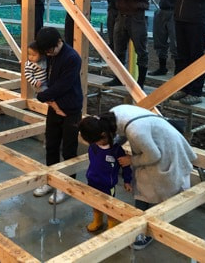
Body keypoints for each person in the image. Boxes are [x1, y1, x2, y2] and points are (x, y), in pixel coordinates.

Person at [84, 104, 197, 250]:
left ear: (103, 134)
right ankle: (139, 222)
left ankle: (148, 231)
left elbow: (154, 155)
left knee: (160, 187)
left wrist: (131, 160)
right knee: (142, 185)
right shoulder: (112, 116)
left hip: (166, 148)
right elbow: (121, 135)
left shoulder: (136, 132)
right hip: (154, 142)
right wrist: (113, 148)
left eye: (98, 142)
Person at [32, 27, 83, 204]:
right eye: (45, 51)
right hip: (53, 106)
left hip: (70, 108)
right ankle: (50, 180)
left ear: (59, 42)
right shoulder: (50, 54)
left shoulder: (72, 58)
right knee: (51, 145)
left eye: (49, 50)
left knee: (69, 149)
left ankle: (66, 186)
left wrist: (42, 95)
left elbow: (63, 85)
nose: (48, 54)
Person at [103, 0, 152, 89]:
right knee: (118, 48)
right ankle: (118, 77)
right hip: (121, 14)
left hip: (137, 15)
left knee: (141, 50)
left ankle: (140, 82)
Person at [78, 115, 132, 232]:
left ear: (104, 135)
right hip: (93, 180)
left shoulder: (116, 150)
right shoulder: (93, 145)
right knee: (95, 202)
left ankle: (112, 223)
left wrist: (127, 180)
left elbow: (126, 166)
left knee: (109, 205)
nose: (95, 142)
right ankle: (97, 220)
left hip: (108, 184)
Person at [24, 41, 65, 117]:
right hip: (39, 85)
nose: (31, 57)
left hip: (45, 82)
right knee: (49, 96)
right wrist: (35, 82)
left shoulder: (43, 60)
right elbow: (27, 75)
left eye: (34, 55)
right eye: (29, 54)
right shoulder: (30, 65)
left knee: (50, 94)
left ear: (41, 54)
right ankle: (57, 109)